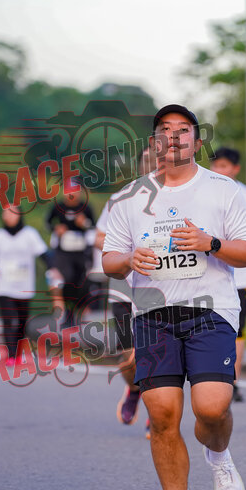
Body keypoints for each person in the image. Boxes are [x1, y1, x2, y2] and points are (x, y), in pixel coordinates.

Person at [103, 105, 246, 490]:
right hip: (153, 315)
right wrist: (128, 259)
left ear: (197, 140)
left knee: (211, 408)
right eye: (165, 130)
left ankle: (219, 455)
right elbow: (109, 259)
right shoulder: (130, 197)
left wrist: (211, 243)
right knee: (163, 415)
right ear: (154, 142)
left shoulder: (222, 189)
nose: (174, 137)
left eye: (183, 130)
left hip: (211, 310)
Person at [95, 146, 156, 437]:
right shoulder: (122, 198)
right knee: (127, 356)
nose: (152, 163)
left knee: (157, 353)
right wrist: (125, 249)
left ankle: (157, 413)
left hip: (159, 290)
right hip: (123, 288)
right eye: (146, 159)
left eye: (156, 158)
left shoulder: (179, 198)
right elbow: (99, 237)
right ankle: (133, 389)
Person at [210, 147, 246, 402]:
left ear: (236, 169)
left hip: (240, 276)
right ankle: (211, 379)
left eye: (224, 166)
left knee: (237, 330)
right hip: (211, 274)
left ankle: (233, 381)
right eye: (215, 166)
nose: (219, 171)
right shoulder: (203, 193)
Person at [0, 208, 52, 366]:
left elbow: (44, 254)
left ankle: (17, 353)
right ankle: (11, 355)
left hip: (24, 285)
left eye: (12, 212)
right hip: (3, 284)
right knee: (8, 320)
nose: (8, 216)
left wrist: (54, 268)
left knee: (22, 321)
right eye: (5, 213)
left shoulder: (30, 234)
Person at [45, 180, 95, 327]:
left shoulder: (86, 208)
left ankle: (80, 311)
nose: (71, 195)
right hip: (64, 252)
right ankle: (68, 313)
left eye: (75, 191)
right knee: (66, 279)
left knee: (82, 282)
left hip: (81, 251)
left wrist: (84, 224)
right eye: (69, 191)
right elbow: (47, 223)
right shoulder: (58, 207)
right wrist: (56, 228)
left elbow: (94, 227)